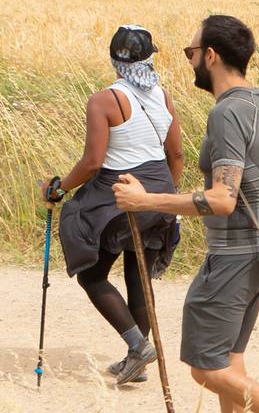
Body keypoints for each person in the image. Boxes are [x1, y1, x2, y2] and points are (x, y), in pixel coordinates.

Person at [115, 15, 259, 413]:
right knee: (231, 360)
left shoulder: (227, 113)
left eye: (191, 52)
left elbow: (222, 198)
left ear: (211, 56)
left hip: (232, 256)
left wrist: (146, 201)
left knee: (204, 366)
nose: (190, 60)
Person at [44, 25, 183, 386]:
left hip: (118, 193)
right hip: (158, 192)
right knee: (139, 277)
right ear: (150, 58)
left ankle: (137, 347)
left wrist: (59, 188)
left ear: (113, 60)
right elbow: (176, 154)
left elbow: (92, 162)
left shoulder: (105, 100)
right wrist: (166, 198)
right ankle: (138, 356)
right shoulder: (163, 97)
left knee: (92, 274)